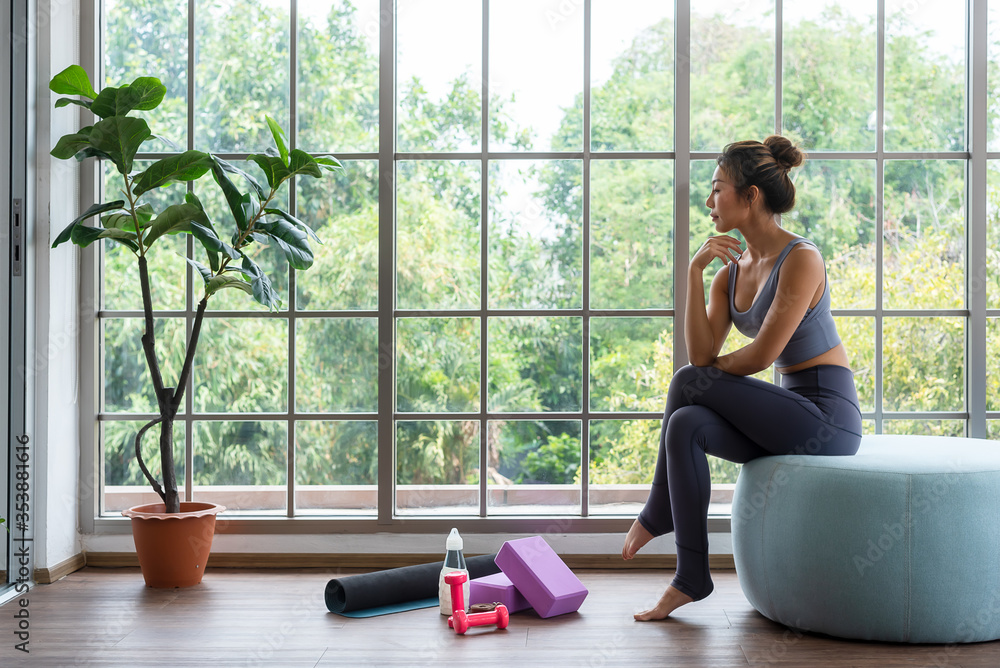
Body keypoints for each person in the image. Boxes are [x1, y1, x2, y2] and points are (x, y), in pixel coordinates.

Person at [621, 135, 862, 621]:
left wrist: (706, 371)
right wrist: (693, 272)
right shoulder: (729, 273)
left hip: (827, 418)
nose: (709, 202)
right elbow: (704, 351)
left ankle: (657, 509)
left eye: (718, 190)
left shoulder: (801, 259)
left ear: (751, 196)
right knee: (686, 422)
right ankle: (691, 577)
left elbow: (760, 355)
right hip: (785, 413)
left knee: (689, 382)